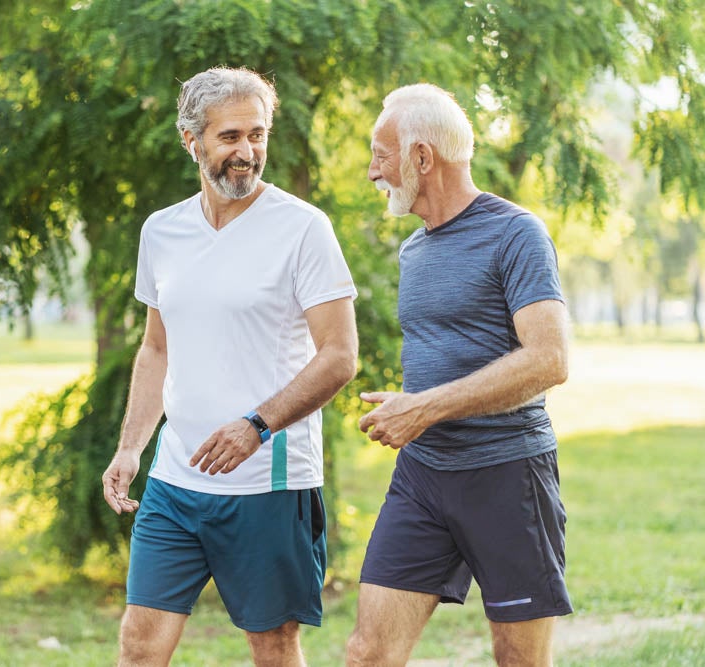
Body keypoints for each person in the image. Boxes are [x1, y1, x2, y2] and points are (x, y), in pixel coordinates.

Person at [101, 66, 358, 667]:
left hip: (268, 483)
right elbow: (157, 349)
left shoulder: (303, 229)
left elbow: (340, 355)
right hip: (175, 481)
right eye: (230, 137)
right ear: (192, 141)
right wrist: (131, 447)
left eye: (258, 136)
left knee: (272, 646)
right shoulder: (162, 231)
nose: (247, 153)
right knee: (139, 644)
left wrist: (257, 425)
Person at [346, 83, 572, 666]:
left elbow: (549, 360)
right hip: (423, 476)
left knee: (518, 660)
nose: (373, 172)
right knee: (368, 653)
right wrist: (417, 411)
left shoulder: (516, 234)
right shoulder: (413, 251)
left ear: (422, 157)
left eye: (381, 154)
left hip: (507, 473)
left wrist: (424, 406)